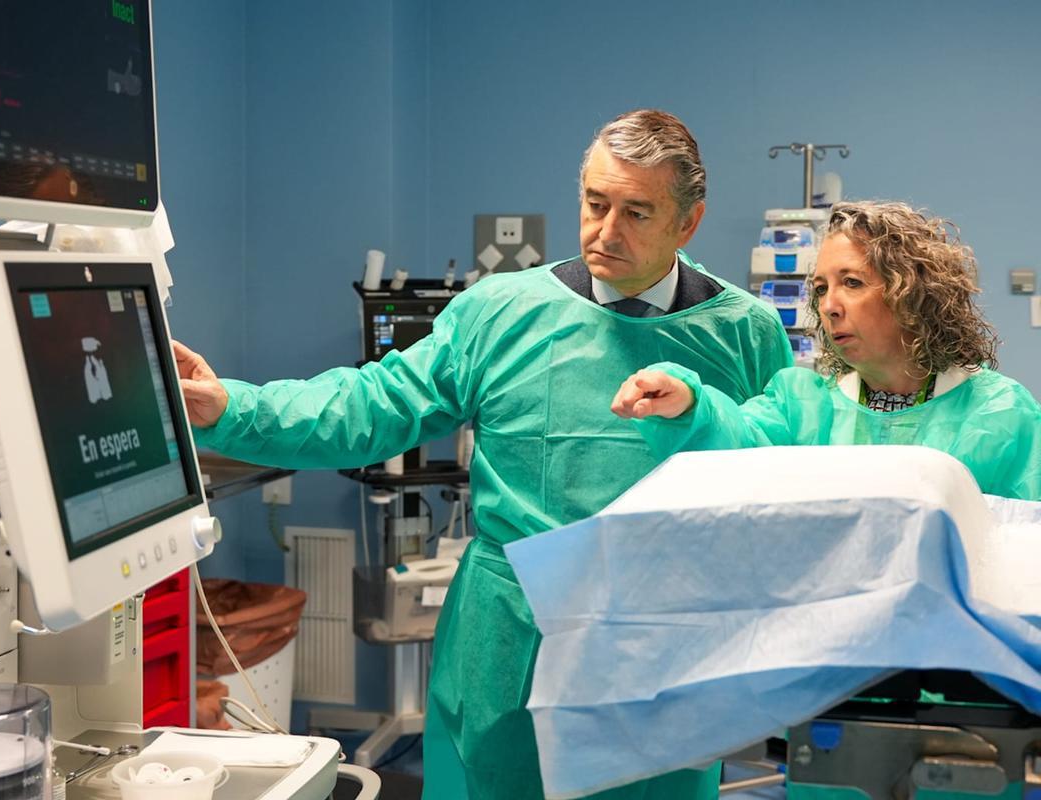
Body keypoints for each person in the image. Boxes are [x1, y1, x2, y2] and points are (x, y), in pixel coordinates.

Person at [176, 109, 793, 799]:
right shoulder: (502, 312)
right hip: (511, 643)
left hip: (662, 652)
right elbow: (374, 404)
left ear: (688, 222)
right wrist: (233, 408)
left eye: (637, 212)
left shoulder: (744, 332)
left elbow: (776, 480)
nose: (605, 231)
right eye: (594, 204)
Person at [611, 200, 1041, 501]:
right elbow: (738, 440)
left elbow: (1022, 549)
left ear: (911, 294)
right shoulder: (805, 408)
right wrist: (689, 402)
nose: (829, 306)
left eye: (851, 283)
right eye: (820, 289)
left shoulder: (999, 415)